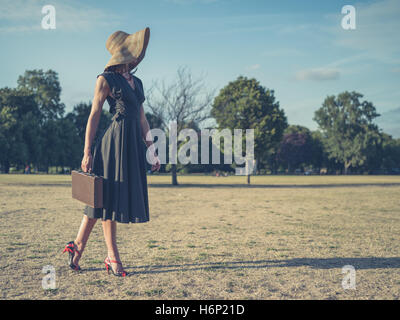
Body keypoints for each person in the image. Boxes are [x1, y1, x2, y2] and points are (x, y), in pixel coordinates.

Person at [63, 27, 160, 277]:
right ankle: (113, 257)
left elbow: (142, 119)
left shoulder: (137, 82)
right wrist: (87, 151)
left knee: (101, 202)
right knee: (108, 203)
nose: (138, 56)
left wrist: (152, 148)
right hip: (111, 145)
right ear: (123, 55)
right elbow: (94, 115)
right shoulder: (105, 79)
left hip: (130, 146)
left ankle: (76, 247)